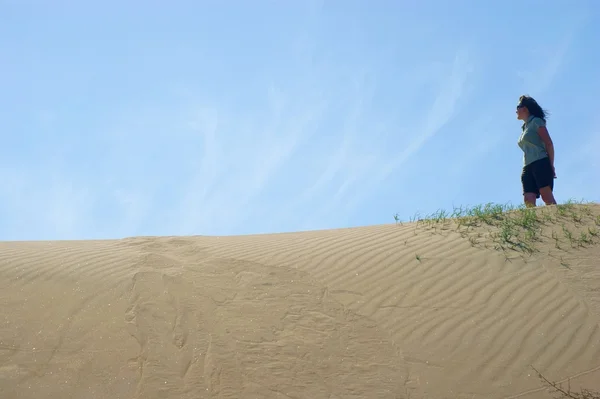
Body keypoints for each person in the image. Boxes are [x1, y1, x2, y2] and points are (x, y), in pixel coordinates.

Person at [516, 95, 557, 207]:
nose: (516, 111)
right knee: (528, 199)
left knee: (546, 196)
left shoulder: (536, 122)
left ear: (526, 108)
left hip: (540, 162)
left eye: (518, 106)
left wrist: (551, 165)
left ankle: (559, 219)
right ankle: (533, 224)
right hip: (527, 166)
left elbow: (549, 143)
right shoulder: (525, 127)